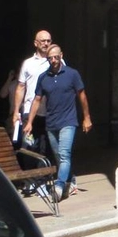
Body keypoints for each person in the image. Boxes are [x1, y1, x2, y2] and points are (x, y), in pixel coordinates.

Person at [23, 45, 92, 200]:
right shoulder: (43, 77)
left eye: (56, 57)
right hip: (51, 123)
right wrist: (30, 122)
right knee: (58, 156)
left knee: (64, 154)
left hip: (68, 121)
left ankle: (59, 186)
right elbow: (37, 100)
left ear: (61, 55)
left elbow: (82, 96)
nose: (53, 60)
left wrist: (86, 117)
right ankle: (69, 181)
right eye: (50, 58)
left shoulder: (72, 74)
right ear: (47, 59)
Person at [12, 30, 56, 153]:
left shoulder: (57, 62)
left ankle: (46, 173)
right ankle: (28, 171)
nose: (46, 43)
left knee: (48, 149)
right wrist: (16, 111)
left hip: (50, 114)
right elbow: (21, 87)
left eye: (49, 41)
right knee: (29, 147)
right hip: (29, 113)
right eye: (43, 41)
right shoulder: (28, 64)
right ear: (36, 43)